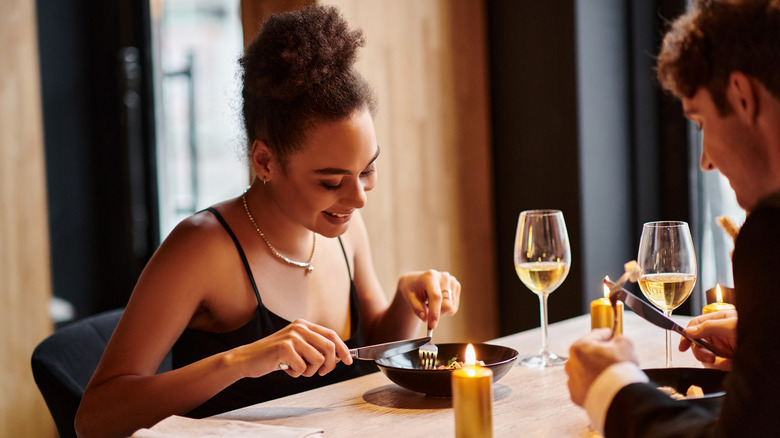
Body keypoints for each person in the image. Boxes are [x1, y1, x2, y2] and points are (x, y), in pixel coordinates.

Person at [74, 5, 461, 438]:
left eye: (367, 171)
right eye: (331, 181)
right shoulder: (202, 248)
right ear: (265, 161)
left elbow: (374, 354)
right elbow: (95, 418)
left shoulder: (342, 230)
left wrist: (408, 304)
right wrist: (240, 361)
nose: (357, 198)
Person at [565, 0, 780, 436]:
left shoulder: (771, 240)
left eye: (700, 122)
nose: (704, 162)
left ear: (742, 95)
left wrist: (613, 387)